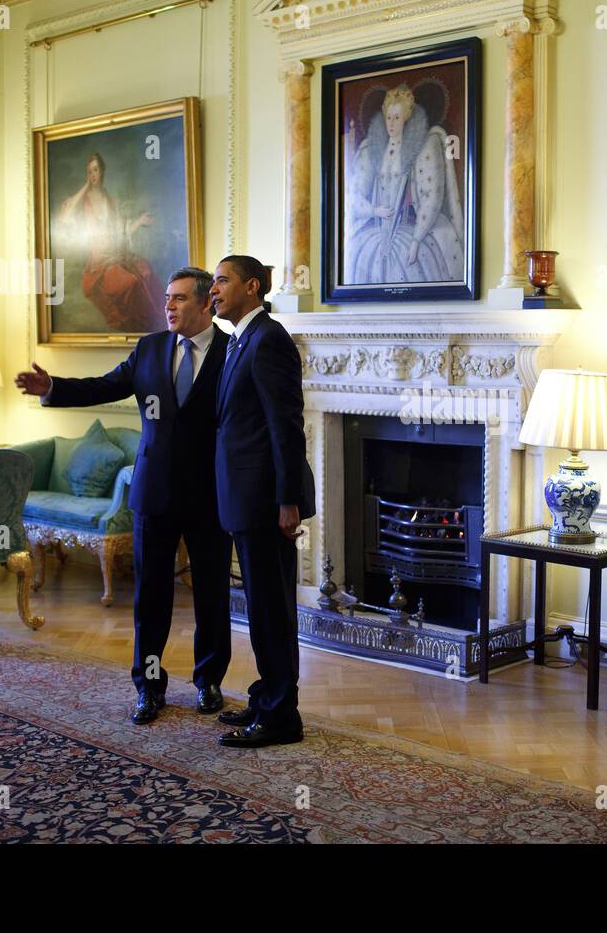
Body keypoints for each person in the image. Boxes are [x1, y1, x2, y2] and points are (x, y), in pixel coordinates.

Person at [14, 268, 233, 726]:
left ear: (204, 303)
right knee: (150, 596)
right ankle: (149, 688)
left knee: (211, 592)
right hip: (153, 492)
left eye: (178, 299)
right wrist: (52, 387)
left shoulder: (232, 351)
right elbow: (104, 386)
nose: (168, 306)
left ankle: (209, 681)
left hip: (212, 493)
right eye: (166, 299)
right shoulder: (150, 348)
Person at [210, 255, 315, 749]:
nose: (213, 289)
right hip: (245, 499)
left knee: (272, 611)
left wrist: (288, 500)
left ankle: (280, 718)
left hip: (266, 503)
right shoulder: (239, 339)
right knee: (261, 608)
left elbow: (285, 426)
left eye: (222, 281)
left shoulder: (269, 339)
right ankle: (266, 696)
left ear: (252, 287)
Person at [343, 84, 465, 285]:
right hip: (376, 229)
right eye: (388, 117)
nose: (391, 123)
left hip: (414, 227)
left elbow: (431, 197)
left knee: (412, 262)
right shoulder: (370, 150)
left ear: (407, 118)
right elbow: (353, 195)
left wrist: (417, 240)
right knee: (360, 255)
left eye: (397, 117)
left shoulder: (425, 145)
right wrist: (374, 211)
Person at [56, 152, 164, 333]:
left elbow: (121, 231)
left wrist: (139, 222)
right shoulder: (83, 201)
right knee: (131, 283)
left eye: (96, 170)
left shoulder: (111, 201)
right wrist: (85, 186)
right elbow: (68, 212)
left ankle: (159, 323)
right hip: (99, 262)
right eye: (89, 171)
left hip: (117, 255)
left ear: (103, 171)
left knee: (145, 271)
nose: (93, 175)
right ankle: (141, 324)